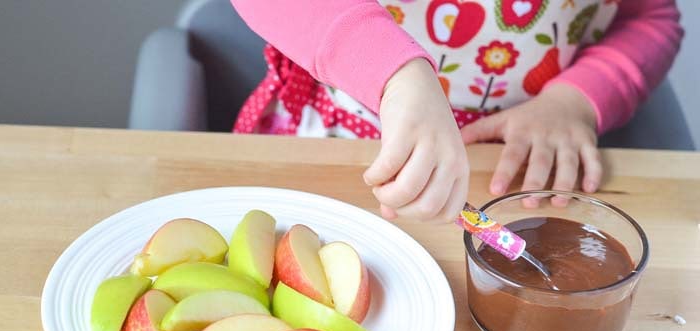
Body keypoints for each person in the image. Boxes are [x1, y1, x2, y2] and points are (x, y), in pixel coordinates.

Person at [230, 0, 683, 220]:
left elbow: (650, 18)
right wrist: (395, 73)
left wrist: (577, 99)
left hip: (519, 165)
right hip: (334, 138)